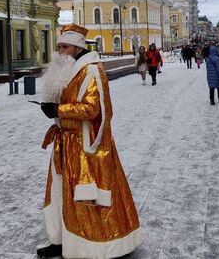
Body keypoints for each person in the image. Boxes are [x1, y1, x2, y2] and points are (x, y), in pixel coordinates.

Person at [37, 24, 143, 258]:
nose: (59, 52)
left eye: (63, 47)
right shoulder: (70, 70)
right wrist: (53, 108)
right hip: (64, 143)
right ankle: (60, 239)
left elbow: (94, 109)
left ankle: (95, 245)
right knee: (59, 192)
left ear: (76, 47)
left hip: (86, 148)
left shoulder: (91, 71)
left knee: (86, 199)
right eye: (58, 47)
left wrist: (59, 109)